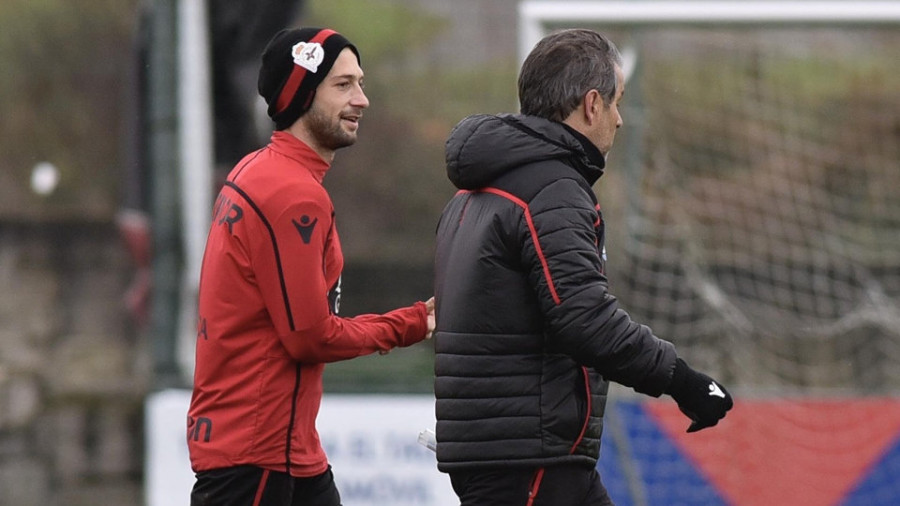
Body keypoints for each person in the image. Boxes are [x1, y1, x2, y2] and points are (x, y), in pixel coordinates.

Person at [432, 29, 733, 505]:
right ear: (591, 104)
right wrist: (683, 380)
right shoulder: (552, 189)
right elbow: (584, 318)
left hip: (505, 451)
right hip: (529, 457)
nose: (619, 120)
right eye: (616, 103)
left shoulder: (472, 194)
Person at [187, 27, 435, 506]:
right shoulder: (292, 193)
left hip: (286, 453)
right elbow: (310, 337)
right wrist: (408, 324)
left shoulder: (260, 170)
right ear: (300, 95)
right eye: (342, 85)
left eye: (360, 83)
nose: (361, 99)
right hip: (257, 458)